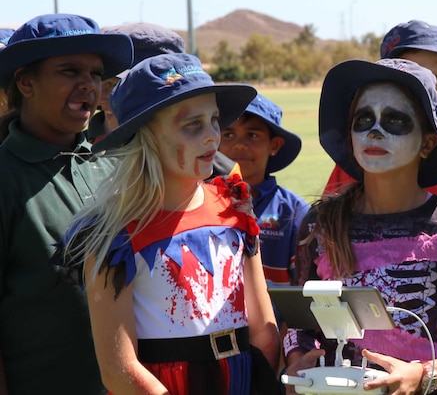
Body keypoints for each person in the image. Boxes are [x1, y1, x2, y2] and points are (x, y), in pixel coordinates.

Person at [63, 53, 281, 394]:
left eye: (214, 120)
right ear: (145, 136)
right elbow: (120, 370)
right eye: (192, 125)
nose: (212, 136)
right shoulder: (114, 234)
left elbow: (264, 329)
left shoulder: (234, 206)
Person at [285, 58, 437, 395]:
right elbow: (299, 323)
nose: (374, 131)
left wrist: (424, 375)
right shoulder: (320, 224)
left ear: (427, 143)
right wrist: (298, 359)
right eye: (363, 119)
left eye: (395, 120)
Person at [324, 20, 437, 317]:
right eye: (414, 73)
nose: (430, 86)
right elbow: (330, 237)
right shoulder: (362, 155)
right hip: (364, 334)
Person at [0, 13, 133, 394]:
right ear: (26, 82)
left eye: (95, 74)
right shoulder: (6, 179)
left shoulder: (111, 168)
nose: (88, 85)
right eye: (70, 71)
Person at [89, 22, 239, 178]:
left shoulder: (221, 178)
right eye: (101, 81)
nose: (103, 96)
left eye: (118, 86)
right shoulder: (74, 159)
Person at [219, 93, 307, 284]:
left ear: (274, 145)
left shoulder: (293, 212)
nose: (240, 145)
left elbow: (303, 290)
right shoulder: (199, 200)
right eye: (229, 134)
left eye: (253, 135)